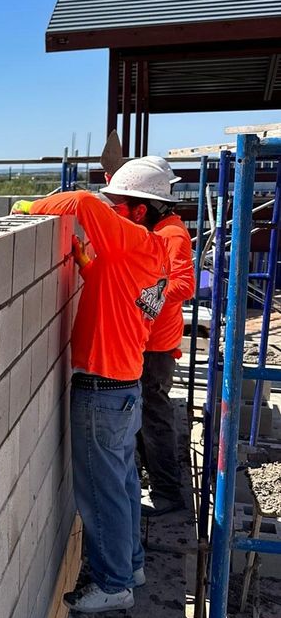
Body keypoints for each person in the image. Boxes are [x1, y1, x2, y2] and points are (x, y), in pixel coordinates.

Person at [13, 158, 173, 613]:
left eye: (116, 205)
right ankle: (131, 565)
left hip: (103, 389)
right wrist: (87, 265)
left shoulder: (133, 240)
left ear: (139, 211)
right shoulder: (154, 250)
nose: (110, 211)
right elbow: (119, 291)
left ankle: (114, 584)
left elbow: (82, 201)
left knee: (102, 493)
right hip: (123, 387)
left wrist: (29, 209)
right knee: (122, 484)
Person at [113, 159, 194, 516]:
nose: (123, 214)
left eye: (126, 207)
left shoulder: (170, 235)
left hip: (155, 346)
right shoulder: (158, 230)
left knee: (154, 419)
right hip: (149, 341)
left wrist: (139, 298)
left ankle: (167, 494)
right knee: (146, 415)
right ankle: (156, 482)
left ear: (144, 208)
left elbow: (184, 285)